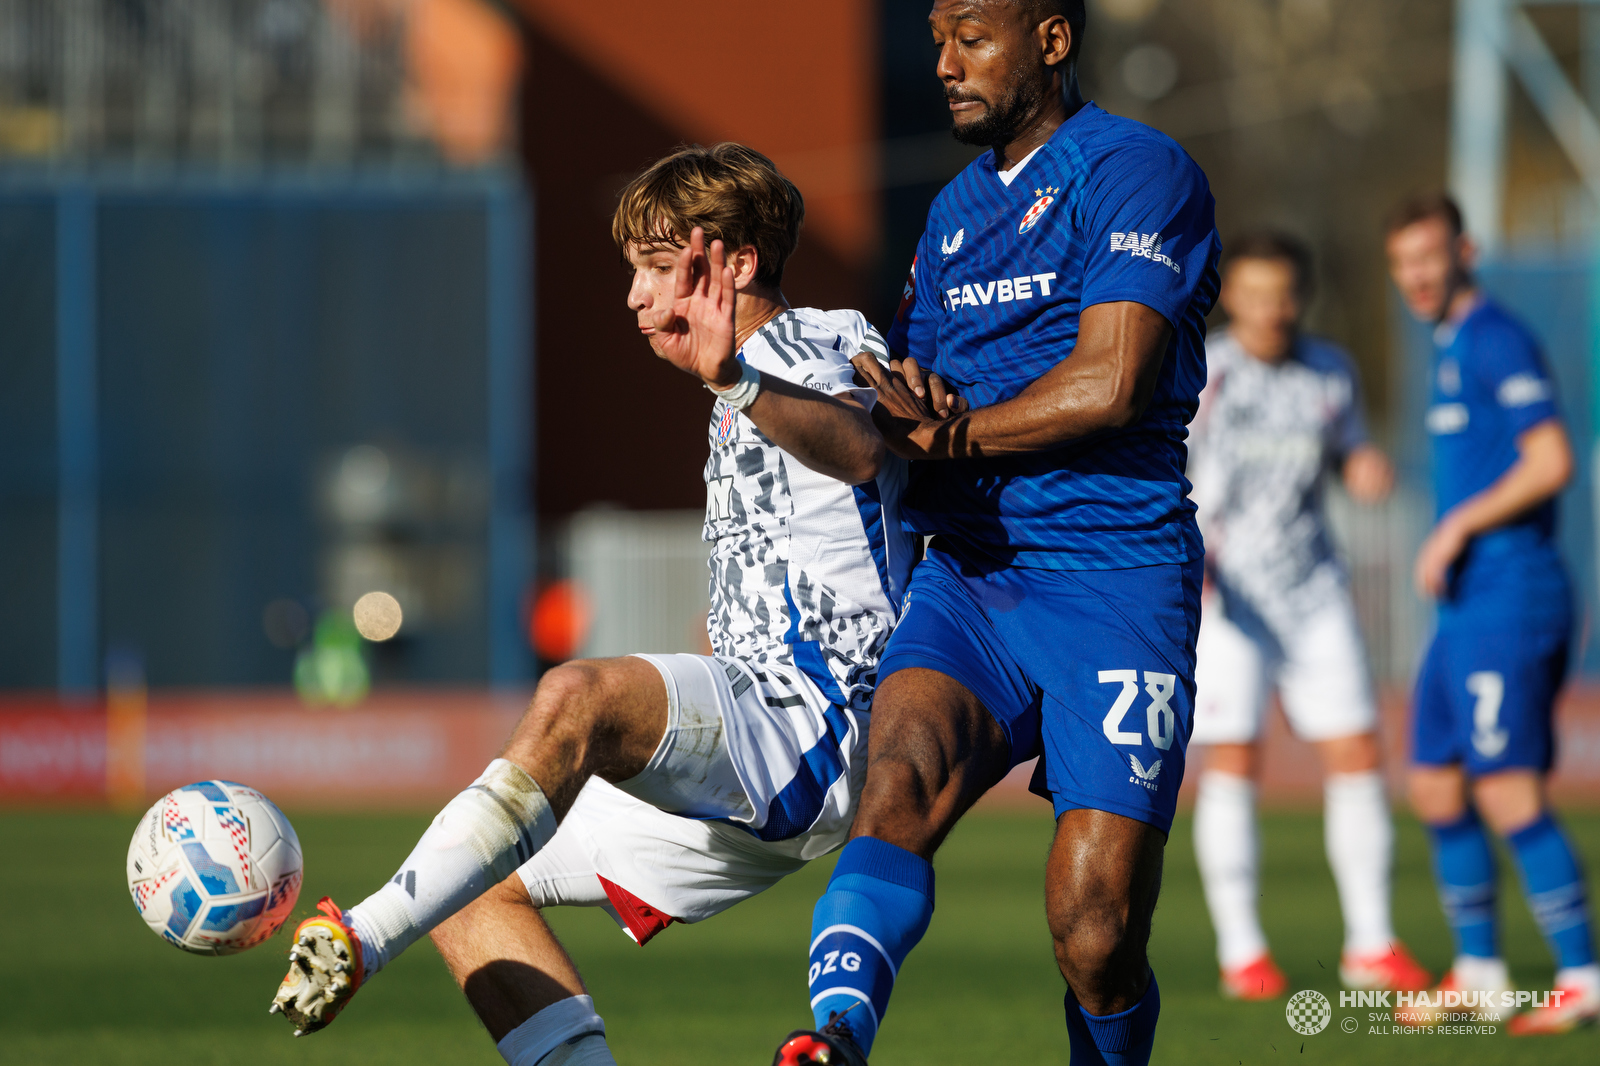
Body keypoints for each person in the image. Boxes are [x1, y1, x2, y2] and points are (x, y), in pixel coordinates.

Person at [267, 143, 936, 1065]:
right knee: (470, 891)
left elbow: (863, 448)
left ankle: (364, 934)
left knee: (577, 696)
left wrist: (733, 377)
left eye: (659, 268)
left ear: (734, 264)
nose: (633, 295)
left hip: (814, 722)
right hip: (769, 742)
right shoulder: (770, 365)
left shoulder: (803, 347)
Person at [771, 3, 1219, 1064]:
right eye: (935, 39)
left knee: (1095, 928)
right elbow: (908, 403)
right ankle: (835, 1039)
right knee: (896, 786)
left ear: (1051, 41)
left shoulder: (1137, 169)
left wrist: (949, 433)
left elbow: (1112, 383)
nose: (943, 64)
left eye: (971, 36)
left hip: (1115, 578)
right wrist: (868, 394)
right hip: (970, 580)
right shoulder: (952, 212)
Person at [1185, 231, 1431, 1000]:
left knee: (1358, 753)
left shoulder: (1330, 370)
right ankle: (1244, 953)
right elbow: (1168, 471)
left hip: (1315, 589)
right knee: (1235, 760)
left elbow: (1348, 447)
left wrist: (1361, 463)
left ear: (1302, 297)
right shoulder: (1206, 372)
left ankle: (1370, 945)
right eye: (1257, 295)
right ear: (1233, 297)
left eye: (1285, 295)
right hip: (1228, 599)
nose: (1273, 311)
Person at [1387, 192, 1598, 1035]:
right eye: (1403, 264)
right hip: (1466, 608)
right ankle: (1479, 971)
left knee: (1506, 789)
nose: (1417, 277)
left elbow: (1551, 460)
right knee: (1435, 783)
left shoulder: (1496, 336)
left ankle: (1583, 973)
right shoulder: (1447, 342)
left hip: (1512, 595)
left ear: (1465, 250)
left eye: (1430, 258)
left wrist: (1458, 527)